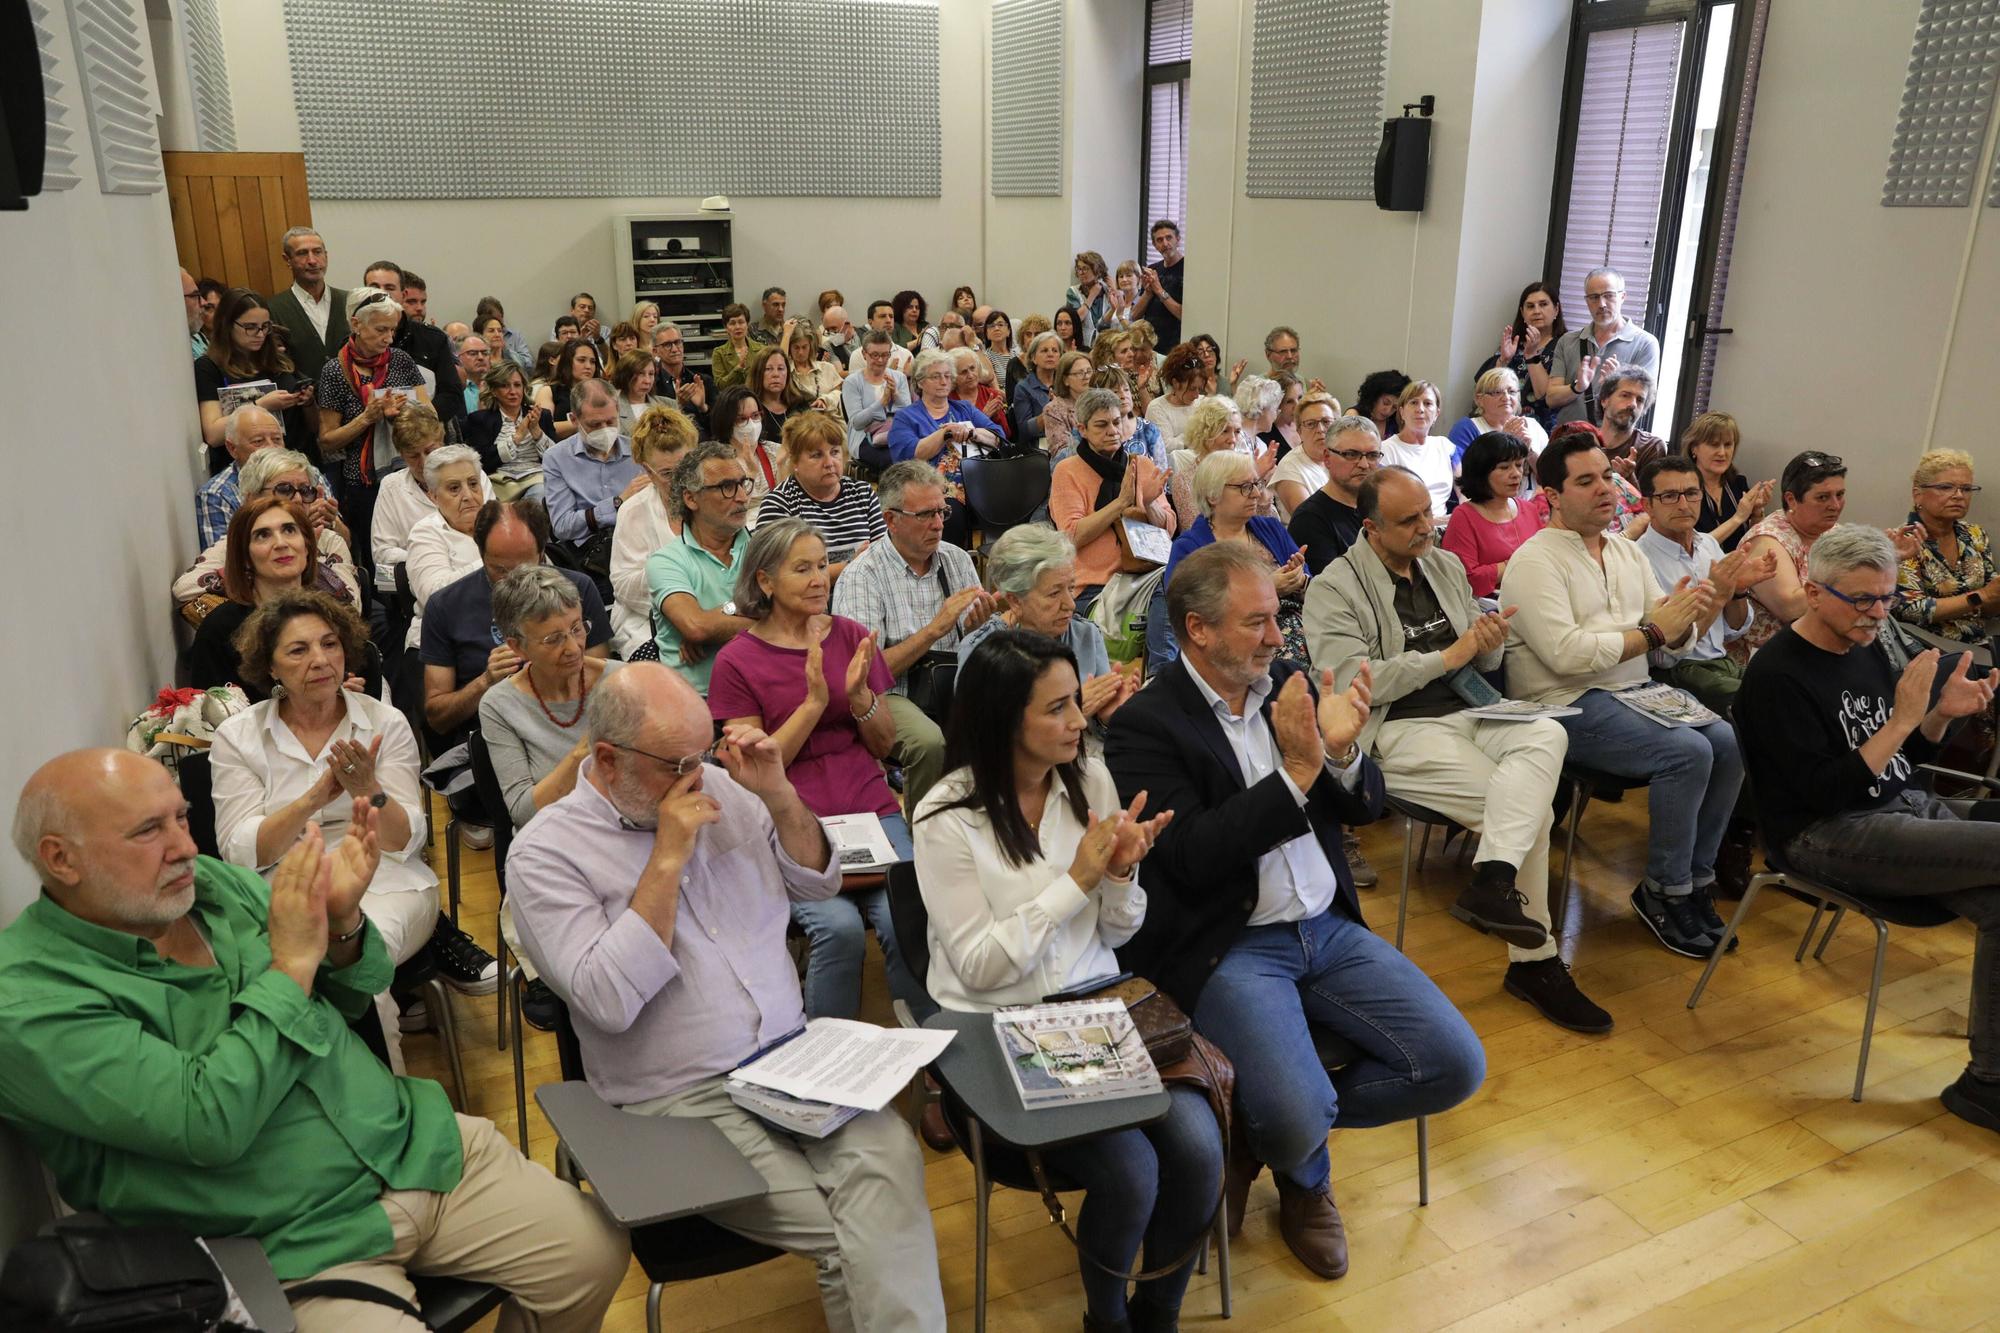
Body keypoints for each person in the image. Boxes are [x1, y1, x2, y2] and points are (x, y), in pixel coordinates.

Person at [0, 748, 629, 1333]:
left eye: (182, 819)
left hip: (412, 1148)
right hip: (286, 1239)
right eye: (147, 832)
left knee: (593, 1253)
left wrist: (342, 925)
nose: (184, 847)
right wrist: (293, 967)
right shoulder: (30, 998)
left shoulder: (214, 888)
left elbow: (357, 993)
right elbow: (206, 1120)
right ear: (62, 860)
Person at [505, 664, 948, 1331]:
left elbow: (817, 884)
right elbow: (607, 999)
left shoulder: (725, 787)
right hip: (675, 1095)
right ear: (606, 758)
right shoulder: (545, 852)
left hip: (792, 1061)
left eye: (703, 750)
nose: (698, 774)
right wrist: (666, 858)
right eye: (676, 763)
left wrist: (778, 795)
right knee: (852, 1230)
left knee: (893, 1155)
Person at [1103, 542, 1484, 1279]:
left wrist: (1340, 756)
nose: (1280, 638)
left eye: (1277, 619)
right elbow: (1191, 857)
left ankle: (1263, 1131)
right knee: (1295, 1113)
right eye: (1258, 622)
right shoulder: (1148, 723)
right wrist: (1301, 769)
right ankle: (1304, 1175)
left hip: (1328, 927)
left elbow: (1366, 806)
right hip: (1234, 945)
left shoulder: (1287, 683)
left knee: (1455, 1065)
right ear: (1198, 629)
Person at [913, 629, 1215, 1329]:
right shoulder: (945, 815)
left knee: (1200, 1152)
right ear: (1001, 720)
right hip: (994, 1025)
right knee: (1132, 1171)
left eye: (1076, 701)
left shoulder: (1089, 778)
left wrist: (1121, 873)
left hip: (1089, 1008)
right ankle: (1105, 1319)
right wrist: (1076, 879)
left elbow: (1115, 934)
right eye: (1057, 708)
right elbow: (983, 966)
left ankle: (1157, 1314)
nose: (1079, 720)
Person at [1304, 467, 1604, 1031]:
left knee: (1548, 732)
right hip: (1400, 728)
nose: (1426, 527)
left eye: (1428, 512)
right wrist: (1450, 656)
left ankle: (1493, 879)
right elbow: (1349, 683)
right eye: (1409, 520)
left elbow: (1481, 660)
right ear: (1370, 527)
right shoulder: (1334, 587)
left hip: (1472, 708)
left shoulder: (1440, 565)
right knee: (1529, 812)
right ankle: (1535, 963)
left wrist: (1489, 644)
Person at [1733, 524, 2000, 1136]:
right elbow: (1827, 794)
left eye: (1885, 598)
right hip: (1826, 833)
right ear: (1812, 590)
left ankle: (1986, 1084)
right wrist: (1907, 719)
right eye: (1861, 600)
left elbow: (1905, 754)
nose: (1877, 613)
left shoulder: (1868, 643)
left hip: (1900, 808)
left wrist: (1936, 717)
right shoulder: (1777, 676)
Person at [1500, 433, 1744, 958]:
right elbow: (1565, 656)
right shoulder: (1535, 560)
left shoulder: (1625, 553)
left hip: (1633, 689)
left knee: (1728, 740)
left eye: (1607, 477)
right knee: (1688, 751)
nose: (1605, 490)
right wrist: (1655, 632)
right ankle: (1663, 890)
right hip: (1561, 702)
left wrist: (1692, 613)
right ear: (1553, 496)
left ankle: (1696, 883)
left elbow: (1669, 650)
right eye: (1585, 481)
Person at [207, 590, 495, 1014]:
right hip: (281, 883)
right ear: (269, 666)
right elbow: (242, 852)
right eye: (298, 650)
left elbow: (406, 841)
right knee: (318, 977)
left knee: (358, 956)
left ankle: (367, 1064)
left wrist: (368, 789)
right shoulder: (238, 737)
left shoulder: (384, 722)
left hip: (383, 879)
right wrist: (312, 799)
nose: (320, 660)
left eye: (329, 644)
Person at [707, 520, 919, 1020]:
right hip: (790, 819)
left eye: (822, 565)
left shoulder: (848, 635)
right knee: (839, 929)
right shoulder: (737, 661)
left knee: (904, 914)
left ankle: (935, 1057)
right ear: (765, 582)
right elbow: (755, 771)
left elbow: (885, 744)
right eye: (802, 569)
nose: (820, 578)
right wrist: (815, 703)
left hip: (868, 804)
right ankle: (825, 1066)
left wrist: (862, 697)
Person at [477, 565, 624, 1029]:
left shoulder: (620, 680)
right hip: (556, 849)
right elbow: (522, 809)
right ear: (516, 646)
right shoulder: (499, 705)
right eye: (553, 639)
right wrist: (585, 750)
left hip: (627, 835)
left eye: (577, 629)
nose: (574, 647)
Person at [830, 460, 996, 805]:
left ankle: (992, 821)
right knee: (929, 742)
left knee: (1018, 709)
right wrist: (934, 630)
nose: (938, 525)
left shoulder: (957, 559)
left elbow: (972, 645)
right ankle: (924, 837)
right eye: (925, 515)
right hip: (893, 693)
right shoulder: (863, 576)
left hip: (952, 684)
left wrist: (977, 629)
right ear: (891, 520)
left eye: (942, 512)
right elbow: (860, 678)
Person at [419, 500, 610, 746]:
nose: (514, 581)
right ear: (480, 554)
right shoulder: (444, 606)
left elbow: (601, 679)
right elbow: (438, 718)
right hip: (489, 738)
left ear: (542, 554)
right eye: (500, 570)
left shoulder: (578, 589)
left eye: (525, 569)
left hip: (573, 729)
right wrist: (485, 682)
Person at [958, 525, 1138, 738]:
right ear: (1015, 600)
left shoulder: (1086, 635)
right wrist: (1071, 709)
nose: (1070, 604)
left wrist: (1107, 718)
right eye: (1054, 593)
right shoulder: (982, 649)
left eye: (1071, 588)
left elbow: (1101, 735)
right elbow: (981, 735)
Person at [188, 497, 376, 700]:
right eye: (262, 535)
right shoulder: (219, 630)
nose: (280, 543)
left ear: (307, 546)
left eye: (289, 530)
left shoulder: (336, 615)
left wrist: (348, 700)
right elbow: (212, 719)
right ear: (244, 556)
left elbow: (370, 692)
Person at [1635, 455, 1778, 715]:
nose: (1683, 504)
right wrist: (1717, 595)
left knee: (1792, 685)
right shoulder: (1639, 558)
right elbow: (1663, 657)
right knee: (1767, 703)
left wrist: (1737, 590)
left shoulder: (1708, 545)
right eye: (1669, 496)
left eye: (1691, 493)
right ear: (1647, 505)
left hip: (1722, 661)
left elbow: (1735, 629)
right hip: (1677, 672)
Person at [1052, 386, 1178, 669]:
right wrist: (1121, 504)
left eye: (1118, 421)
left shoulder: (1140, 465)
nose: (1113, 430)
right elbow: (1071, 536)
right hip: (1093, 586)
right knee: (1171, 583)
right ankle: (1161, 674)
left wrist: (1146, 502)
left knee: (1185, 578)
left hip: (1142, 575)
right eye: (1102, 424)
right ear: (1082, 429)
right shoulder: (1067, 470)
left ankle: (1161, 674)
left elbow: (1168, 528)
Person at [316, 289, 431, 570]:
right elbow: (327, 440)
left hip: (409, 472)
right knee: (375, 560)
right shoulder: (334, 371)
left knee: (418, 547)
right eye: (381, 329)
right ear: (356, 324)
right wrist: (367, 417)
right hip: (362, 484)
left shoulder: (400, 360)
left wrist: (402, 414)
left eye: (392, 330)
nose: (388, 338)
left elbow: (430, 416)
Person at [1166, 451, 1310, 665]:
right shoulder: (1189, 547)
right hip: (1235, 636)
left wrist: (1299, 581)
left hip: (1298, 620)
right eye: (1244, 487)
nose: (1255, 494)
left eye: (1256, 484)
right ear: (1212, 496)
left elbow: (1310, 581)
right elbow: (1184, 610)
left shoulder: (1270, 527)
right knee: (1294, 666)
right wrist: (1267, 587)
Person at [177, 447, 360, 613]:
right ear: (252, 498)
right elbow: (185, 588)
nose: (297, 499)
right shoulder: (240, 541)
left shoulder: (329, 540)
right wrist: (257, 577)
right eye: (284, 489)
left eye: (305, 490)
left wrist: (308, 555)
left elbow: (351, 608)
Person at [648, 441, 756, 691]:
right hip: (698, 706)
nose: (741, 497)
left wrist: (716, 626)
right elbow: (696, 627)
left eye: (743, 484)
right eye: (726, 487)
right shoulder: (667, 561)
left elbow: (800, 613)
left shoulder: (763, 547)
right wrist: (767, 615)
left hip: (763, 692)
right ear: (691, 498)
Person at [1733, 450, 1854, 664]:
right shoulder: (1767, 540)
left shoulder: (1833, 531)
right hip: (1772, 659)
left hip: (1822, 648)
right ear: (1792, 500)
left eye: (1840, 495)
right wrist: (1854, 577)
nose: (1835, 505)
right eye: (1823, 497)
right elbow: (1790, 609)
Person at [371, 403, 491, 595]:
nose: (424, 462)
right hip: (416, 583)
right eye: (413, 456)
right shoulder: (391, 486)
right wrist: (431, 557)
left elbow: (493, 526)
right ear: (401, 455)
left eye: (430, 450)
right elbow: (381, 554)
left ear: (442, 441)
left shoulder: (473, 475)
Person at [608, 405, 698, 657]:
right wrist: (683, 615)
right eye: (668, 473)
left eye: (685, 467)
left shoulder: (712, 501)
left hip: (712, 615)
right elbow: (624, 586)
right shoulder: (633, 511)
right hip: (646, 623)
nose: (679, 479)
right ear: (647, 470)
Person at [759, 411, 888, 580]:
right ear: (795, 462)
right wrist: (851, 567)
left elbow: (885, 556)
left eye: (834, 452)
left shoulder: (863, 493)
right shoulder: (779, 503)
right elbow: (777, 574)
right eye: (817, 455)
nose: (829, 463)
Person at [196, 288, 314, 472]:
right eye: (250, 327)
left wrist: (306, 401)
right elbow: (213, 434)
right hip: (249, 470)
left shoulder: (278, 359)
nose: (260, 334)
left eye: (265, 327)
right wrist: (261, 405)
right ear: (227, 324)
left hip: (296, 460)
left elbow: (314, 426)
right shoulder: (209, 367)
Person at [1897, 449, 1999, 645]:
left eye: (1966, 489)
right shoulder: (1904, 542)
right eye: (1946, 487)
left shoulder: (1975, 534)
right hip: (1926, 648)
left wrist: (1994, 597)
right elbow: (1910, 609)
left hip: (1978, 647)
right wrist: (1982, 596)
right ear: (1917, 495)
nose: (1959, 496)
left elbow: (1990, 607)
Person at [195, 402, 331, 548]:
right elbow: (227, 562)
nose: (272, 448)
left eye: (277, 439)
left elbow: (345, 543)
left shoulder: (308, 474)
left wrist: (333, 521)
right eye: (258, 441)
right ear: (232, 448)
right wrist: (301, 528)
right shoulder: (217, 494)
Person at [541, 378, 646, 565]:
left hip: (638, 545)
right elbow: (563, 527)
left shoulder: (638, 450)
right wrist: (617, 503)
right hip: (589, 556)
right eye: (594, 425)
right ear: (574, 419)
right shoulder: (556, 458)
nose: (605, 430)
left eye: (610, 421)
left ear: (618, 412)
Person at [402, 444, 492, 655]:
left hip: (502, 633)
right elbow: (435, 596)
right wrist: (494, 563)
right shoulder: (425, 534)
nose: (468, 495)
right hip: (443, 643)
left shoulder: (500, 523)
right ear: (433, 497)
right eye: (454, 488)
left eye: (473, 484)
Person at [1546, 266, 1662, 426]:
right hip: (1568, 440)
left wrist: (1616, 386)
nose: (1601, 304)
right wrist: (1577, 387)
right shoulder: (1568, 341)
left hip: (1614, 442)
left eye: (1609, 296)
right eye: (1594, 297)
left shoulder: (1645, 343)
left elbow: (1642, 405)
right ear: (1586, 301)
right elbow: (1551, 398)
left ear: (1622, 296)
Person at [1441, 431, 1546, 598]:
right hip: (1489, 606)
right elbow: (1464, 578)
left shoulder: (1529, 509)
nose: (1516, 474)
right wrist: (1515, 564)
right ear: (1481, 472)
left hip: (1538, 593)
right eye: (1504, 467)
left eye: (1519, 465)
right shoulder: (1464, 516)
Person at [361, 261, 463, 429]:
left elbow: (451, 394)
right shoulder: (352, 344)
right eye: (374, 287)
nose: (381, 293)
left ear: (403, 294)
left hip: (423, 433)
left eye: (389, 288)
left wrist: (418, 421)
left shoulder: (433, 339)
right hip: (370, 436)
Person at [1289, 409, 1381, 576]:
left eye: (1372, 455)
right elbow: (1333, 591)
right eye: (1351, 454)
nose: (1364, 464)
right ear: (1327, 457)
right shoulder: (1310, 519)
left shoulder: (1383, 506)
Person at [1169, 394, 1270, 531]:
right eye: (1225, 431)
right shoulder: (1184, 481)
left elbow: (1270, 524)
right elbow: (1196, 530)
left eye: (1237, 431)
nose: (1233, 439)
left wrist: (1258, 483)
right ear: (1204, 434)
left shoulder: (1246, 474)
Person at [1475, 281, 1566, 429]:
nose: (1536, 311)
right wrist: (1503, 360)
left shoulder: (1564, 346)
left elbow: (1543, 395)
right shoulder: (1513, 343)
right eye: (1530, 306)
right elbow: (1483, 389)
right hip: (1498, 425)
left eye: (1543, 304)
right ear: (1523, 313)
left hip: (1539, 428)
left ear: (1556, 310)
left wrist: (1531, 355)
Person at [267, 227, 349, 385]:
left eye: (318, 252)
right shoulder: (272, 309)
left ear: (326, 255)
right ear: (287, 260)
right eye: (302, 253)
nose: (312, 260)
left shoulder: (349, 301)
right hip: (300, 403)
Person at [463, 361, 555, 501]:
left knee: (540, 494)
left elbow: (555, 458)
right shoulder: (479, 420)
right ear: (494, 390)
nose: (513, 391)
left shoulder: (542, 416)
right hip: (500, 482)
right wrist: (517, 437)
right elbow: (482, 461)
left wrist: (536, 432)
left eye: (517, 385)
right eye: (505, 386)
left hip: (537, 478)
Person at [1683, 411, 1772, 553]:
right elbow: (1694, 548)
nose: (1722, 452)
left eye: (1728, 444)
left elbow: (1752, 539)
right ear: (1694, 448)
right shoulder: (1682, 491)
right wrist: (1738, 518)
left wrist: (1756, 512)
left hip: (1740, 567)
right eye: (1714, 445)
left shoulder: (1738, 483)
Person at [1447, 367, 1548, 471]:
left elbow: (1551, 479)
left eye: (1512, 391)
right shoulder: (1466, 428)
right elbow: (1462, 478)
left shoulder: (1533, 426)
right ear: (1479, 399)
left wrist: (1530, 452)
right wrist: (1503, 443)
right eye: (1496, 392)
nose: (1506, 397)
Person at [842, 329, 913, 473]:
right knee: (891, 460)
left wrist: (896, 395)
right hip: (864, 438)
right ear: (864, 354)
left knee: (919, 453)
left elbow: (909, 414)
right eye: (875, 355)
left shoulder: (899, 378)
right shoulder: (852, 381)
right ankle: (887, 495)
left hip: (896, 433)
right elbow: (856, 422)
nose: (880, 360)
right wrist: (882, 402)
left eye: (885, 355)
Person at [1381, 380, 1456, 514]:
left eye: (1427, 403)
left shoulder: (1446, 446)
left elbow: (1466, 494)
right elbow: (1386, 505)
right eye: (1414, 402)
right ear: (1402, 412)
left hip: (1445, 526)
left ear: (1436, 414)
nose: (1420, 409)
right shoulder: (1385, 450)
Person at [711, 384, 784, 517]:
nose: (751, 424)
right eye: (742, 419)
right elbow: (728, 512)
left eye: (755, 416)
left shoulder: (776, 452)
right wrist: (751, 473)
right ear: (727, 422)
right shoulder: (715, 463)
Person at [1593, 366, 1667, 481]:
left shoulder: (1651, 447)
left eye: (1640, 400)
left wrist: (1628, 478)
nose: (1633, 404)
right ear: (1604, 400)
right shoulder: (1583, 441)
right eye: (1625, 395)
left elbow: (1650, 499)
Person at [1269, 395, 1329, 523]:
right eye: (1311, 424)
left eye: (1326, 422)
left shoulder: (1341, 457)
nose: (1320, 429)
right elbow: (1309, 522)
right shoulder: (1289, 467)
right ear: (1299, 431)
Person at [1132, 218, 1185, 351]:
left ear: (1177, 239)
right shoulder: (1152, 269)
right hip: (1150, 344)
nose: (1165, 243)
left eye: (1169, 238)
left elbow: (1183, 314)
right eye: (1159, 240)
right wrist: (1148, 292)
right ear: (1155, 245)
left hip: (1175, 345)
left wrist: (1159, 290)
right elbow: (1134, 315)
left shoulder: (1188, 269)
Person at [1145, 343, 1206, 451]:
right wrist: (1199, 435)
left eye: (1199, 389)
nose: (1197, 395)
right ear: (1176, 383)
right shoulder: (1157, 408)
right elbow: (1166, 447)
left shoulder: (1204, 403)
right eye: (1192, 389)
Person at [1011, 331, 1066, 451]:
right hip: (1038, 448)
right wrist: (1049, 412)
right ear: (1033, 358)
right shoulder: (1023, 387)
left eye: (1055, 351)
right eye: (1044, 350)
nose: (1050, 354)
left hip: (1067, 441)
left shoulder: (1066, 383)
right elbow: (1025, 431)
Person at [748, 343, 808, 450]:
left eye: (780, 369)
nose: (776, 374)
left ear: (787, 373)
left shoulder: (799, 403)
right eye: (768, 369)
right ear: (758, 373)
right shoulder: (751, 410)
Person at [1040, 350, 1096, 462]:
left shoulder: (1101, 401)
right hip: (1072, 467)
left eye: (1089, 371)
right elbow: (1061, 454)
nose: (1086, 377)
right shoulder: (1053, 409)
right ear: (1065, 380)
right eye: (1080, 373)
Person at [533, 338, 599, 433]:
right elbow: (544, 427)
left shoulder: (601, 392)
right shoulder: (548, 391)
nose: (588, 366)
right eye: (581, 360)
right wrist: (586, 423)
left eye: (592, 362)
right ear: (567, 362)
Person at [653, 321, 713, 421]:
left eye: (677, 342)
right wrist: (678, 406)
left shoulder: (703, 381)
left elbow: (719, 426)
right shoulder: (652, 386)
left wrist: (703, 407)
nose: (675, 349)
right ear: (655, 351)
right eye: (667, 345)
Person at [949, 345, 1010, 438]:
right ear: (953, 376)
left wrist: (995, 415)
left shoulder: (992, 395)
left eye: (972, 368)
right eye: (964, 372)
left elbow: (1006, 434)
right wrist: (984, 417)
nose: (971, 375)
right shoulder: (948, 399)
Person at [787, 319, 844, 417]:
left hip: (831, 420)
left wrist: (824, 400)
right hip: (800, 423)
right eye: (796, 347)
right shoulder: (786, 372)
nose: (800, 352)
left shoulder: (827, 368)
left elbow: (839, 393)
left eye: (804, 347)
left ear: (810, 346)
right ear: (789, 348)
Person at [851, 300, 917, 376]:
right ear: (870, 322)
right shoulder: (859, 355)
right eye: (882, 316)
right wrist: (889, 373)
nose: (888, 320)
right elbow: (857, 386)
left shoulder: (906, 355)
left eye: (891, 316)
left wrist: (908, 378)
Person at [610, 349, 665, 436]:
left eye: (651, 374)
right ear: (625, 375)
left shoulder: (668, 404)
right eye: (641, 373)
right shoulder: (610, 408)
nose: (647, 381)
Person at [1066, 251, 1115, 344]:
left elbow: (1117, 317)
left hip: (1106, 344)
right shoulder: (1073, 292)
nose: (1081, 272)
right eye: (1079, 269)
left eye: (1085, 269)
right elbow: (1075, 319)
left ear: (1097, 270)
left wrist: (1115, 290)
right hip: (1082, 345)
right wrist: (1091, 296)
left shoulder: (1107, 291)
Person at [473, 295, 534, 371]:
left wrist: (505, 350)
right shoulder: (474, 350)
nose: (497, 334)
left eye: (499, 330)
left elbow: (528, 364)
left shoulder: (515, 337)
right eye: (491, 331)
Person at [1352, 369, 1410, 442]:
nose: (1388, 410)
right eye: (1386, 402)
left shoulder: (1396, 421)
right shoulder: (1354, 416)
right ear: (1374, 396)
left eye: (1395, 407)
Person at [710, 301, 754, 390]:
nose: (737, 327)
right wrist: (738, 368)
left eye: (741, 322)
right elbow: (720, 385)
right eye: (732, 323)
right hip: (731, 400)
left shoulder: (762, 349)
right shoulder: (719, 353)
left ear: (747, 324)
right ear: (726, 327)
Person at [456, 331, 492, 415]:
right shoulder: (455, 388)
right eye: (473, 353)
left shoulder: (498, 385)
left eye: (485, 353)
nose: (480, 357)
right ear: (458, 357)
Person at [978, 308, 1015, 387]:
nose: (996, 328)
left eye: (1000, 325)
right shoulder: (985, 357)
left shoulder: (1017, 355)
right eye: (992, 326)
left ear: (1008, 331)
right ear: (986, 334)